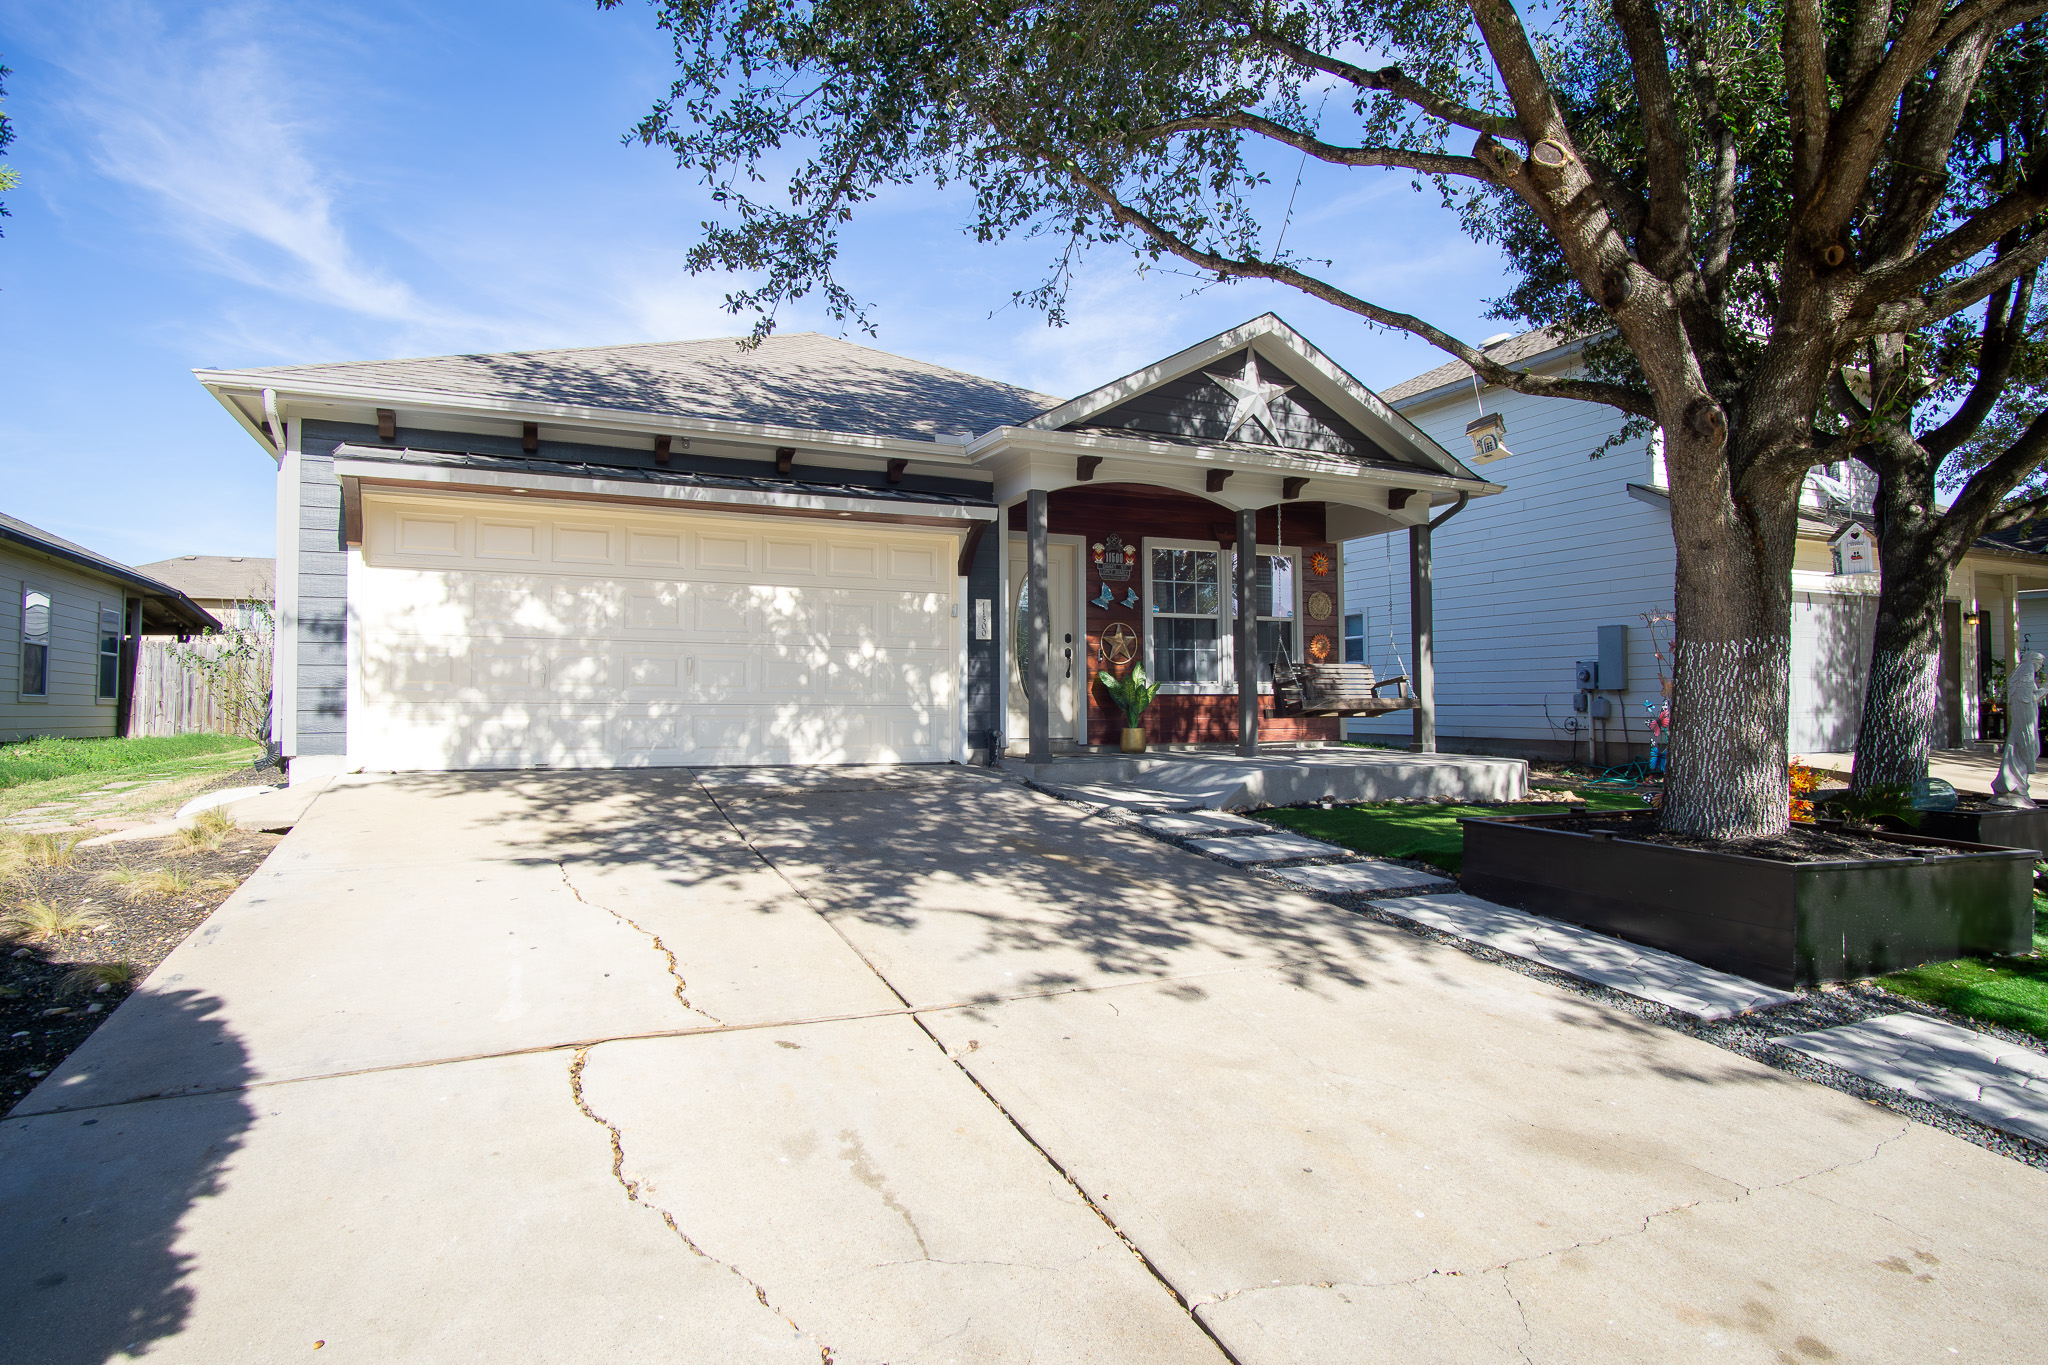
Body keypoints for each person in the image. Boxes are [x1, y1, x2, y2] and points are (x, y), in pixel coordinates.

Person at [1991, 651, 2046, 807]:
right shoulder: (2026, 672)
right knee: (2025, 748)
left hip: (2025, 718)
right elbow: (2029, 699)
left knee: (2017, 749)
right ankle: (2014, 786)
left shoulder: (2021, 674)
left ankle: (2012, 784)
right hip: (2025, 720)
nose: (2040, 667)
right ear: (2033, 662)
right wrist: (2045, 689)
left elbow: (2029, 698)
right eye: (2039, 663)